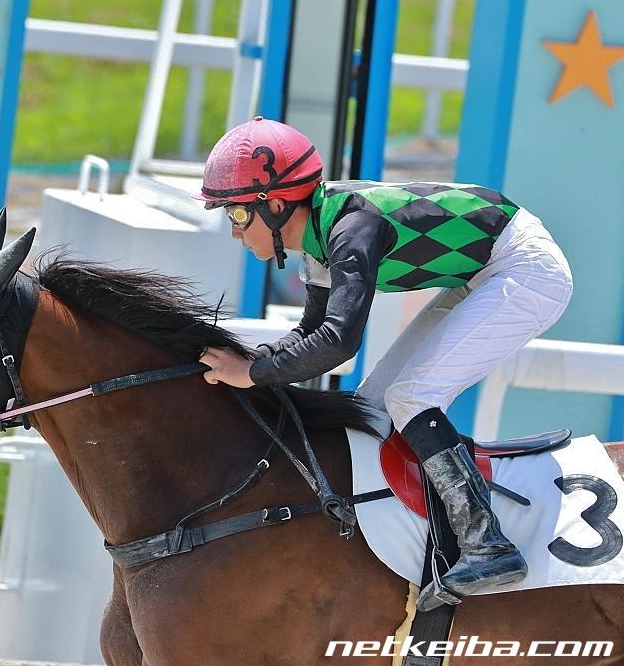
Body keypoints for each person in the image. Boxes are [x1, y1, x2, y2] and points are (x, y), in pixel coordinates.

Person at [195, 116, 573, 611]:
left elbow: (338, 343)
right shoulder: (318, 235)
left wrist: (252, 375)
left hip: (525, 269)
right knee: (372, 405)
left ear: (277, 204)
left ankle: (487, 543)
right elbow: (311, 331)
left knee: (413, 396)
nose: (234, 232)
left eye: (239, 214)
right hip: (481, 271)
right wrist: (255, 360)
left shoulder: (351, 228)